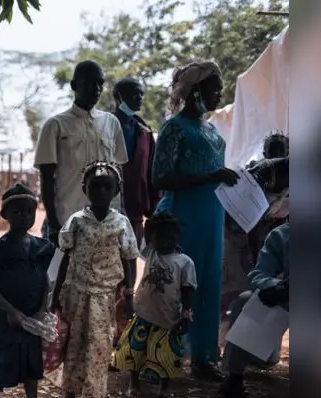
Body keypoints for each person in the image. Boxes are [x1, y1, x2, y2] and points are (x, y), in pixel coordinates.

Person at [151, 61, 240, 380]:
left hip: (212, 216)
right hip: (181, 217)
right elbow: (160, 176)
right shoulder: (174, 127)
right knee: (175, 284)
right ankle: (160, 357)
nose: (219, 93)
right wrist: (208, 176)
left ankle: (202, 357)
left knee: (207, 282)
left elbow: (214, 173)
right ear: (194, 90)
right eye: (214, 87)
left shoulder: (212, 128)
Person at [50, 161, 139, 398]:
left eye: (107, 186)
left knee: (99, 349)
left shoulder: (121, 223)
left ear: (116, 190)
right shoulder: (76, 221)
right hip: (76, 292)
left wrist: (130, 293)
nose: (101, 191)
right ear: (85, 189)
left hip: (104, 296)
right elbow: (64, 258)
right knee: (73, 346)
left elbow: (129, 258)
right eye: (95, 186)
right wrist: (55, 294)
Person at [0, 185, 56, 398]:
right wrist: (10, 311)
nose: (24, 216)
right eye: (17, 212)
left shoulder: (40, 247)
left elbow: (44, 279)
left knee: (32, 361)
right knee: (0, 358)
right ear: (6, 215)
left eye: (29, 211)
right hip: (6, 318)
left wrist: (42, 308)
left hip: (32, 316)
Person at [34, 60, 129, 244]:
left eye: (100, 83)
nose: (96, 88)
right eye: (89, 82)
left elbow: (119, 173)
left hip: (107, 220)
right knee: (64, 272)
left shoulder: (111, 123)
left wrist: (121, 211)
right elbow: (46, 178)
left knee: (106, 271)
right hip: (67, 219)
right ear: (73, 86)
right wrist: (53, 222)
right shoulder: (55, 126)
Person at [112, 212, 196, 398]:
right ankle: (134, 385)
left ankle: (164, 389)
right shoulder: (150, 251)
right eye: (159, 237)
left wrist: (185, 314)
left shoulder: (185, 263)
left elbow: (188, 289)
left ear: (177, 237)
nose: (164, 242)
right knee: (135, 351)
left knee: (166, 355)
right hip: (143, 313)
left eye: (169, 238)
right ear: (153, 237)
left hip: (168, 318)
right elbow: (146, 231)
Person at [215, 223, 289, 398]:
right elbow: (258, 274)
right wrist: (275, 286)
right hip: (289, 295)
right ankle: (234, 378)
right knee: (246, 300)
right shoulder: (282, 235)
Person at [112, 78, 158, 246]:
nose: (139, 97)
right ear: (118, 97)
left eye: (141, 93)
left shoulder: (144, 131)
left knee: (131, 259)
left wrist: (153, 209)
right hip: (107, 208)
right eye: (134, 93)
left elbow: (151, 171)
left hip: (135, 210)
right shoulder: (104, 126)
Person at [247, 133, 289, 260]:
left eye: (281, 150)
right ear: (265, 153)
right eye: (273, 150)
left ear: (288, 153)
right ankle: (256, 259)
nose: (277, 153)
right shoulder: (257, 170)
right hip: (258, 222)